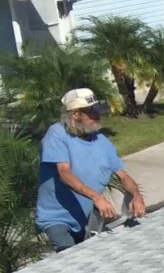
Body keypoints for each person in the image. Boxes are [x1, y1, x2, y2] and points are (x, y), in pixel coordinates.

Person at [34, 88, 146, 250]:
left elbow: (123, 176)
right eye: (91, 111)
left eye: (97, 109)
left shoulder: (101, 141)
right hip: (57, 219)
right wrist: (96, 198)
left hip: (87, 218)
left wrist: (136, 196)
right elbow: (64, 173)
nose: (97, 114)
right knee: (69, 258)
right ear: (75, 114)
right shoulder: (56, 134)